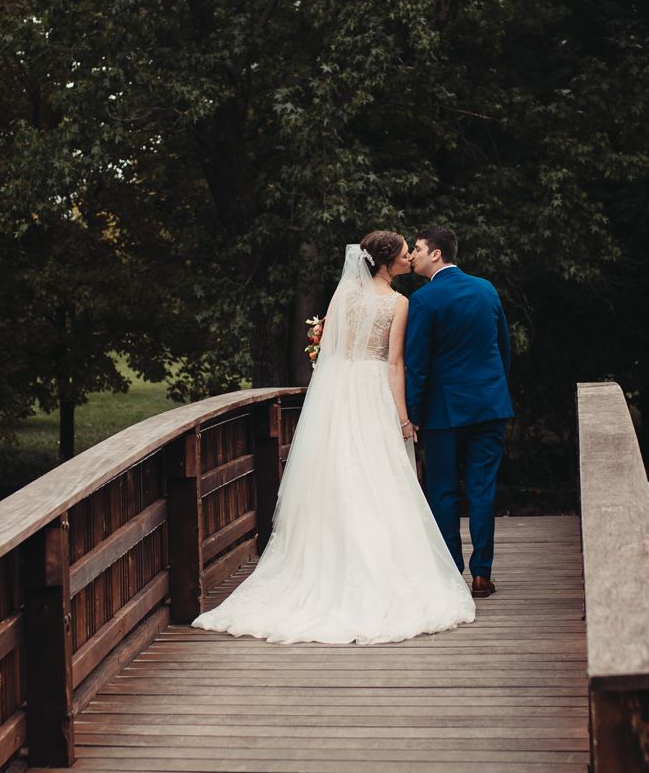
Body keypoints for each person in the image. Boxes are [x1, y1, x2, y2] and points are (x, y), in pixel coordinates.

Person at [192, 231, 476, 644]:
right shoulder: (400, 303)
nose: (406, 259)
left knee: (340, 474)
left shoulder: (342, 296)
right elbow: (395, 363)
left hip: (339, 394)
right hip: (375, 392)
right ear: (386, 262)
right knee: (379, 478)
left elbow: (330, 351)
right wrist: (403, 419)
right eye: (402, 254)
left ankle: (329, 565)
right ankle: (375, 573)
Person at [404, 225, 513, 598]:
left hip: (442, 412)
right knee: (483, 489)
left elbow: (416, 364)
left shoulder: (424, 300)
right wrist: (494, 392)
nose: (412, 255)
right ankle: (482, 574)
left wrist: (412, 411)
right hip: (489, 405)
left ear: (436, 254)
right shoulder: (486, 289)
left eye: (417, 248)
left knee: (444, 492)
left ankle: (451, 573)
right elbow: (503, 349)